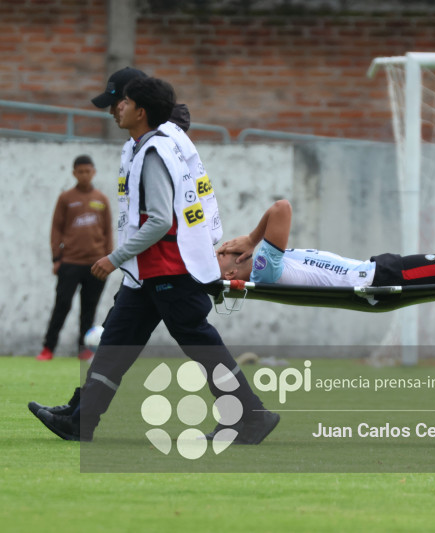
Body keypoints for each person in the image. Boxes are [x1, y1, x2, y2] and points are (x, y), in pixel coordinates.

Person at [29, 77, 279, 444]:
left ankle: (252, 415)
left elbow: (161, 220)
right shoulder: (151, 147)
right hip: (151, 273)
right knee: (115, 343)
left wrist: (115, 257)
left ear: (141, 111)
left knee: (201, 346)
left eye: (124, 102)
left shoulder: (152, 154)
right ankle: (81, 421)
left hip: (170, 270)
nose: (118, 108)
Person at [216, 199, 435, 286]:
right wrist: (251, 239)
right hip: (382, 278)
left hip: (378, 269)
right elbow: (281, 208)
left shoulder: (263, 267)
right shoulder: (261, 270)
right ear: (231, 273)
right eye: (221, 255)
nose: (226, 248)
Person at [36, 155, 113, 361]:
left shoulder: (101, 199)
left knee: (89, 310)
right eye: (80, 172)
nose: (84, 175)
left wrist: (109, 261)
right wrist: (56, 258)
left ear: (93, 172)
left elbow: (108, 233)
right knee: (62, 305)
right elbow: (56, 229)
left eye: (88, 171)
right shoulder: (66, 198)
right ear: (74, 173)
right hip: (70, 262)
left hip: (96, 264)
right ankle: (48, 348)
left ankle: (84, 350)